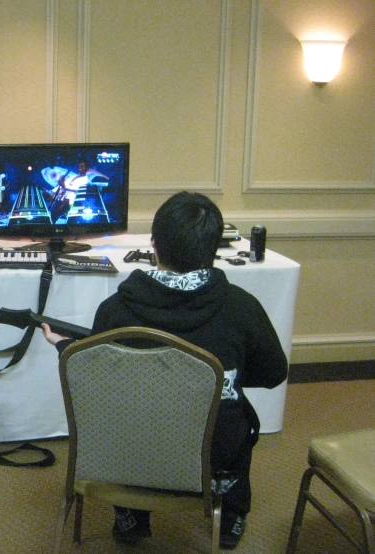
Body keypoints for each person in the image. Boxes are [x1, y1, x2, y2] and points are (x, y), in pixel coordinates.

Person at [42, 191, 288, 550]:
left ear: (153, 245)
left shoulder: (114, 310)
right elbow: (272, 374)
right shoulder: (242, 308)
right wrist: (215, 381)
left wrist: (65, 346)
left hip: (127, 453)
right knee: (234, 418)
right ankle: (230, 517)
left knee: (127, 414)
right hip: (211, 458)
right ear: (214, 249)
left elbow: (97, 379)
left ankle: (130, 515)